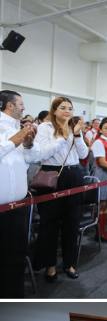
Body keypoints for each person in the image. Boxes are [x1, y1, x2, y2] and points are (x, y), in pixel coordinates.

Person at [34, 97, 89, 281]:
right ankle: (49, 265)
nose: (67, 111)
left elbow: (83, 154)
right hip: (52, 175)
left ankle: (69, 263)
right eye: (63, 107)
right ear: (54, 110)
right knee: (49, 223)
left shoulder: (74, 127)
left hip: (74, 175)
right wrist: (63, 137)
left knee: (72, 222)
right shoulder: (45, 127)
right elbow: (43, 153)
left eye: (70, 108)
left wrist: (77, 135)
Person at [0, 89, 42, 298]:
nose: (24, 108)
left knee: (17, 256)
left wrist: (28, 143)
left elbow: (33, 158)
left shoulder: (19, 128)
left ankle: (14, 297)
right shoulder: (11, 130)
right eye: (20, 104)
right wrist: (17, 138)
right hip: (1, 210)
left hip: (18, 206)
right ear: (9, 105)